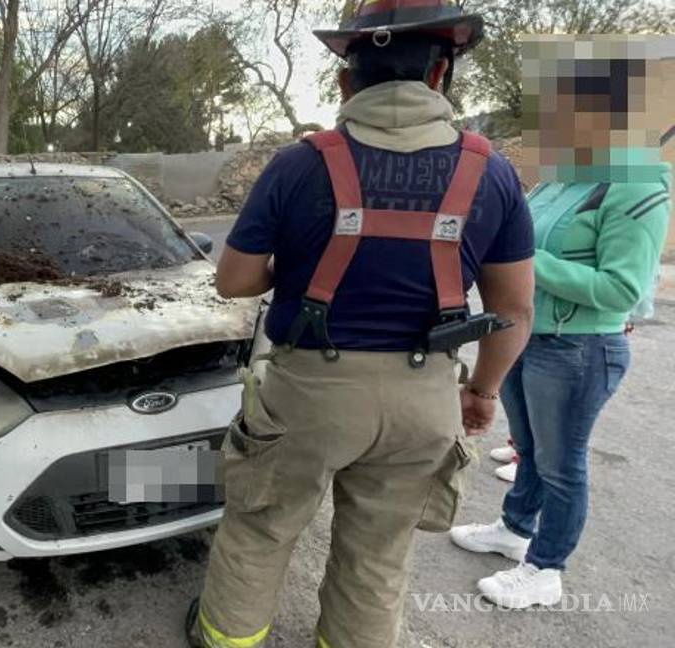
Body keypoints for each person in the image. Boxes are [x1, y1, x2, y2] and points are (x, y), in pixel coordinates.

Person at [185, 2, 537, 646]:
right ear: (439, 77)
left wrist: (290, 273)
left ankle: (227, 639)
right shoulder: (492, 172)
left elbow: (233, 280)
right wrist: (482, 393)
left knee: (261, 528)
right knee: (378, 551)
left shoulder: (299, 164)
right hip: (421, 398)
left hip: (307, 395)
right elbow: (512, 311)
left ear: (347, 82)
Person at [450, 35, 672, 609]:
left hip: (578, 349)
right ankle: (514, 530)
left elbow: (622, 289)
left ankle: (547, 568)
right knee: (526, 445)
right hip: (528, 336)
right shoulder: (559, 178)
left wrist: (529, 266)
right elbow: (514, 232)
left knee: (561, 463)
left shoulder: (637, 184)